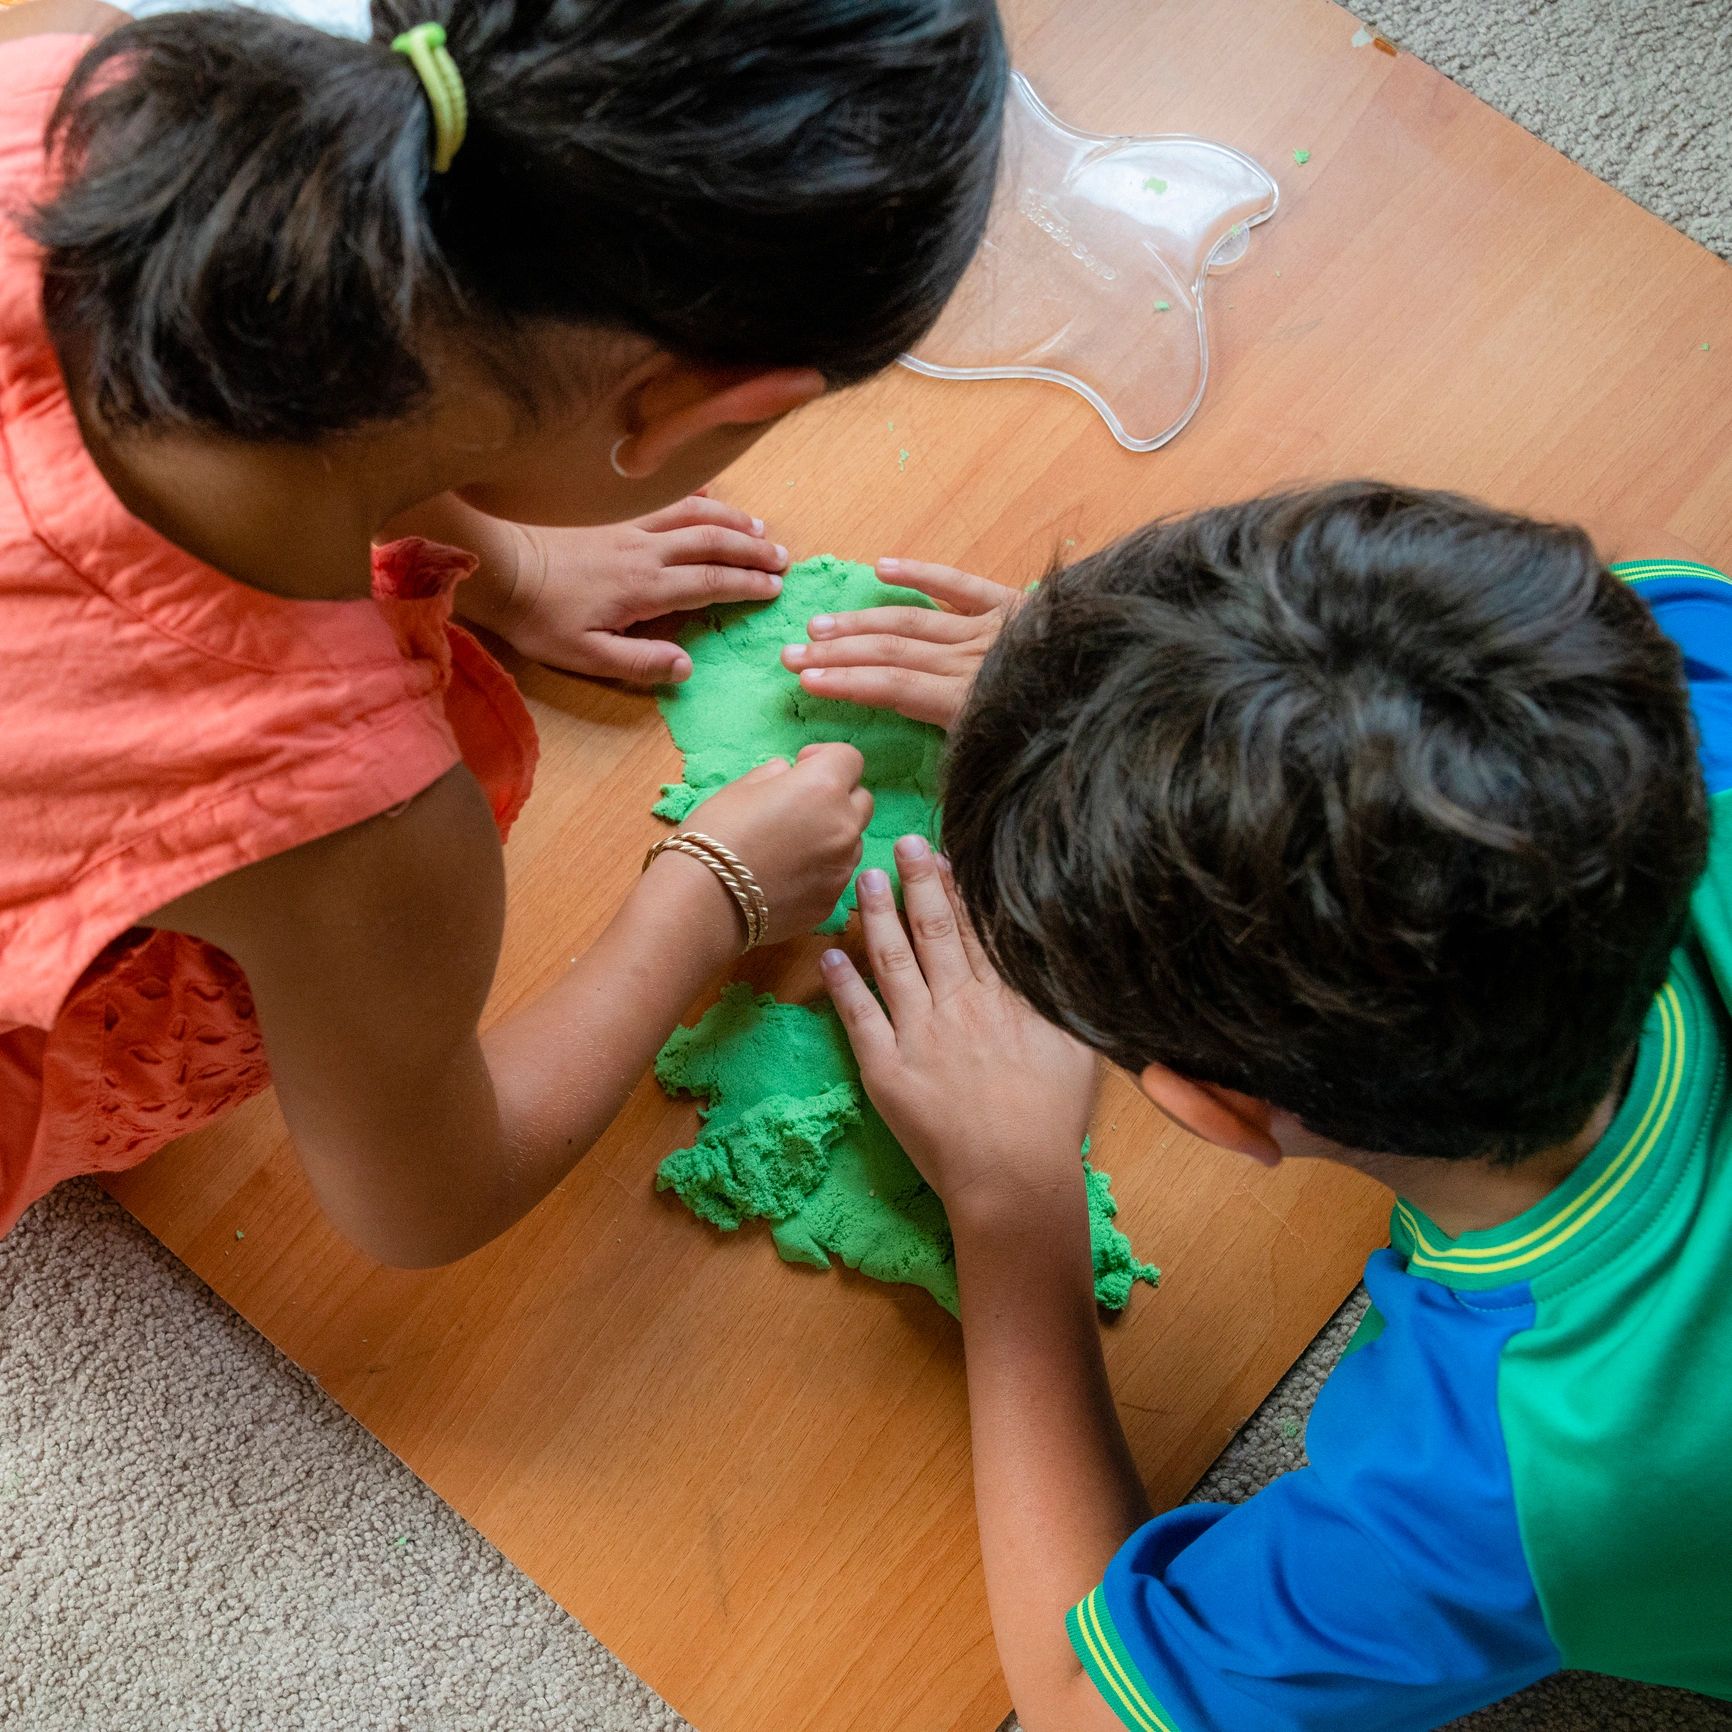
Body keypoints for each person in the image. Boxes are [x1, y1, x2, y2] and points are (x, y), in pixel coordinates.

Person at [0, 0, 1008, 1261]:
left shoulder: (73, 108)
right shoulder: (343, 822)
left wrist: (511, 564)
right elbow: (423, 1200)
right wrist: (707, 897)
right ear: (706, 404)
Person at [805, 486, 1732, 1729]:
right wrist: (1153, 709)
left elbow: (1079, 1708)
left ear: (1216, 1110)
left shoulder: (1505, 1483)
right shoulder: (1683, 659)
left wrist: (1014, 1197)